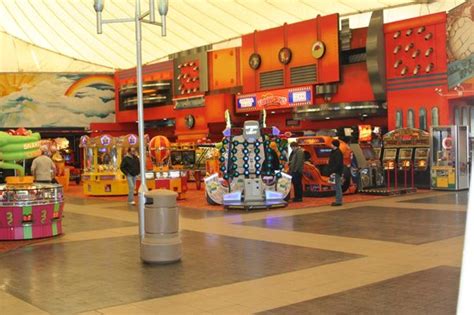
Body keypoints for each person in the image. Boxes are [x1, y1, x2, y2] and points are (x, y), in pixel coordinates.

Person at [327, 139, 344, 206]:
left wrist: (333, 170)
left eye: (331, 144)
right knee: (336, 186)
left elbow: (338, 163)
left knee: (337, 186)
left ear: (334, 145)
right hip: (334, 171)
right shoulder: (334, 151)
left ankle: (338, 201)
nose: (331, 145)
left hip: (336, 171)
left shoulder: (337, 152)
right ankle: (338, 200)